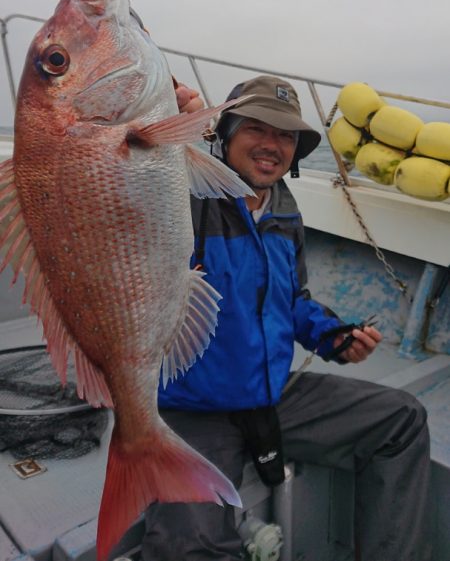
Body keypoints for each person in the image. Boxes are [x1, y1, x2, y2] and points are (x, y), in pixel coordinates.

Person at [141, 75, 431, 561]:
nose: (273, 145)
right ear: (224, 132)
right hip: (192, 407)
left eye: (286, 136)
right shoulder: (187, 195)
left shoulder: (285, 210)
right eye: (257, 128)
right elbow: (137, 171)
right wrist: (165, 124)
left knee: (401, 420)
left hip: (274, 392)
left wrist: (333, 337)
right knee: (189, 547)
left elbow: (291, 299)